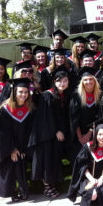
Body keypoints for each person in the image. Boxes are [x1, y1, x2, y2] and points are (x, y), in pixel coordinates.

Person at [28, 69, 71, 198]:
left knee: (53, 159)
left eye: (65, 81)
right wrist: (56, 131)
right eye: (59, 81)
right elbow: (45, 116)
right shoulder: (47, 95)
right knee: (46, 160)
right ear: (54, 82)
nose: (62, 84)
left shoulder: (64, 95)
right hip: (45, 134)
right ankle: (47, 186)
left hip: (56, 134)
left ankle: (51, 184)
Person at [0, 78, 34, 202]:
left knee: (20, 163)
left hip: (21, 145)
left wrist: (22, 148)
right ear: (14, 93)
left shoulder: (29, 108)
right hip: (6, 146)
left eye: (26, 92)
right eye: (20, 92)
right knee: (9, 166)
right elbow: (2, 133)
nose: (23, 95)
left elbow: (28, 131)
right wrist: (12, 149)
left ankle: (22, 189)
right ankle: (11, 192)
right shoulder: (5, 110)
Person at [67, 122, 103, 206]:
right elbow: (82, 165)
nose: (102, 137)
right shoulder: (88, 147)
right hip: (89, 178)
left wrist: (102, 178)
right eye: (100, 134)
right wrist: (92, 179)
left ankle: (99, 201)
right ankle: (89, 199)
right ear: (95, 135)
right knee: (93, 195)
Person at [69, 67, 102, 160]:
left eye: (91, 79)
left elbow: (100, 116)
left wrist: (89, 133)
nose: (88, 82)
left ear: (95, 80)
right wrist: (80, 137)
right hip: (78, 132)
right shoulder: (76, 96)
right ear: (82, 82)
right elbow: (74, 118)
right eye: (85, 80)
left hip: (95, 131)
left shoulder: (100, 95)